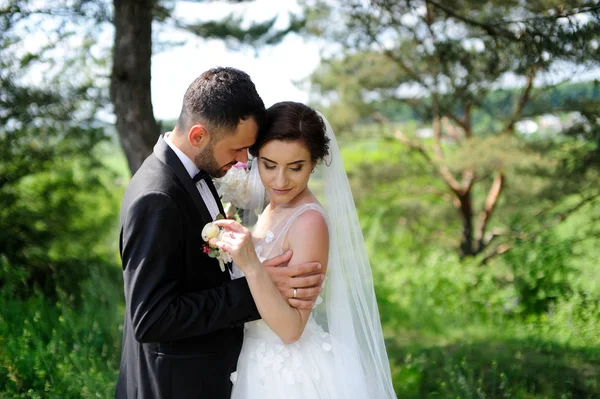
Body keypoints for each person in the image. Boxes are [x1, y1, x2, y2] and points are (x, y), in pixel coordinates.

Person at [115, 69, 325, 399]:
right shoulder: (157, 197)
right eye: (237, 149)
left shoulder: (191, 174)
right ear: (198, 136)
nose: (244, 160)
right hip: (172, 385)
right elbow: (151, 319)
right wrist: (252, 289)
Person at [214, 102, 397, 398]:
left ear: (314, 162)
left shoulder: (308, 222)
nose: (280, 181)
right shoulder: (275, 205)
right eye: (269, 165)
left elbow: (290, 329)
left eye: (296, 167)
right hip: (253, 359)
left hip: (283, 374)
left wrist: (251, 265)